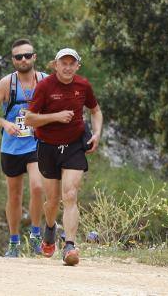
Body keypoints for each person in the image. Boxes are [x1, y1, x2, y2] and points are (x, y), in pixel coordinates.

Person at [25, 48, 103, 266]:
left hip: (74, 146)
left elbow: (95, 110)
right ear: (55, 65)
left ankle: (69, 245)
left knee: (69, 194)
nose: (68, 67)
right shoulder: (44, 86)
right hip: (48, 147)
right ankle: (50, 229)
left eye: (72, 63)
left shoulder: (83, 85)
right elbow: (29, 119)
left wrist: (96, 133)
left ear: (77, 66)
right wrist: (56, 117)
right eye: (63, 63)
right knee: (52, 201)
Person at [0, 38, 47, 257]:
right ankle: (14, 242)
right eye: (19, 56)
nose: (23, 60)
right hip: (11, 146)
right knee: (14, 195)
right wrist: (5, 124)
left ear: (34, 57)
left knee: (38, 187)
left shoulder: (45, 81)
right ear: (13, 60)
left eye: (27, 55)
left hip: (36, 143)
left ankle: (37, 234)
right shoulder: (6, 83)